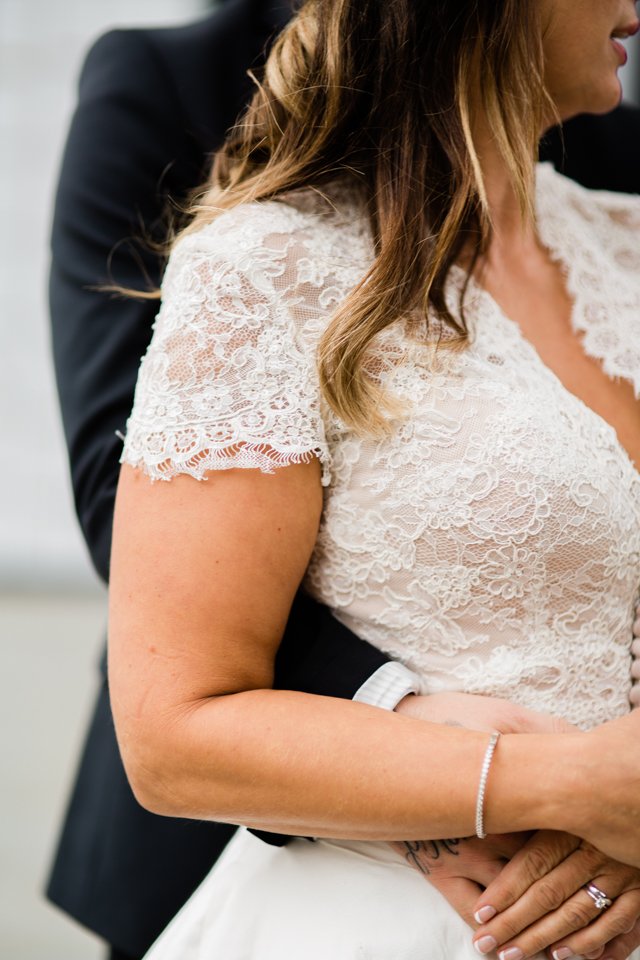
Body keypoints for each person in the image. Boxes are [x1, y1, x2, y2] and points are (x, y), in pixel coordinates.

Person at [47, 2, 640, 960]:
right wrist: (550, 782)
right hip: (380, 912)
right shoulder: (258, 262)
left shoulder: (627, 239)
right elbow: (167, 680)